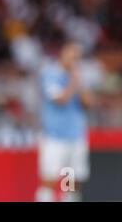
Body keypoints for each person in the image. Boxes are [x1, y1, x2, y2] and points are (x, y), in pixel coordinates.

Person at [35, 41, 93, 202]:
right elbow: (61, 99)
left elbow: (88, 103)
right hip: (54, 137)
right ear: (62, 54)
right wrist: (74, 81)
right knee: (50, 179)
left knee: (71, 182)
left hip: (75, 136)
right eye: (71, 55)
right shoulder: (50, 74)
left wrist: (79, 82)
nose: (74, 59)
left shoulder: (79, 76)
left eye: (77, 56)